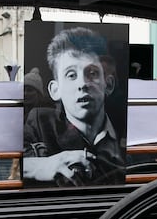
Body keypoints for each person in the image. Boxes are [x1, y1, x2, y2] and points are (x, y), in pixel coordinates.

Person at [23, 27, 125, 186]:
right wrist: (41, 166)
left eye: (92, 73)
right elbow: (13, 163)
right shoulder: (40, 122)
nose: (83, 84)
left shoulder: (125, 126)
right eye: (71, 75)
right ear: (55, 90)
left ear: (109, 84)